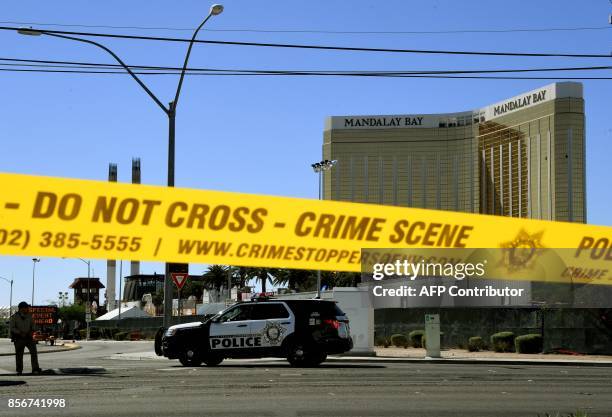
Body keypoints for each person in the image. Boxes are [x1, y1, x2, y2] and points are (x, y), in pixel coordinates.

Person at [9, 302, 42, 375]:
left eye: (27, 307)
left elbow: (34, 326)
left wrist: (32, 331)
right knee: (19, 355)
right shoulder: (14, 317)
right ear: (21, 308)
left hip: (29, 337)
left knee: (34, 353)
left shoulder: (30, 316)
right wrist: (20, 332)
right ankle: (19, 370)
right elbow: (12, 328)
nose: (27, 309)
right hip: (19, 338)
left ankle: (35, 368)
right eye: (26, 307)